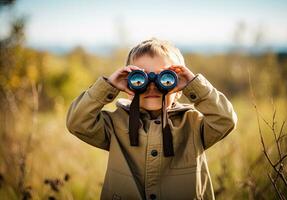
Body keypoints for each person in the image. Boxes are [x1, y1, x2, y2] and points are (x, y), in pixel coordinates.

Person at [66, 38, 238, 200]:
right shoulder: (115, 124)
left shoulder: (193, 124)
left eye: (165, 77)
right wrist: (108, 86)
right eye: (141, 77)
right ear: (128, 83)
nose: (152, 85)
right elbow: (77, 122)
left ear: (179, 87)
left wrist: (194, 85)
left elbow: (225, 120)